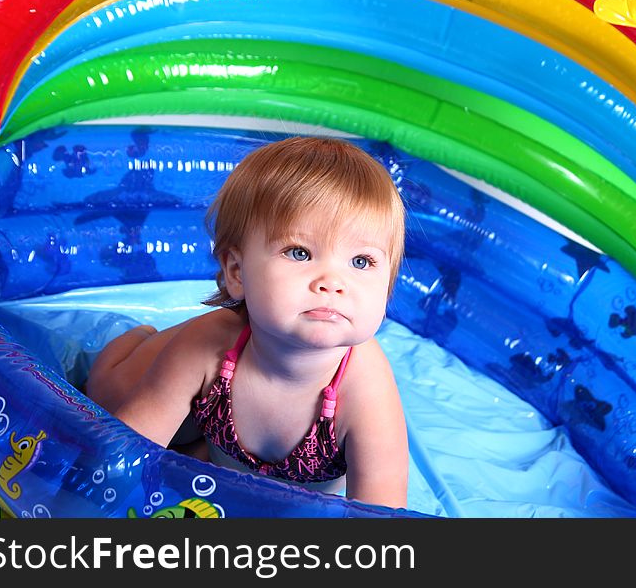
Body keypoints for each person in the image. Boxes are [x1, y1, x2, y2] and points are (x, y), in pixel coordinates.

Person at [86, 136, 409, 509]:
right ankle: (136, 340)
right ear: (237, 272)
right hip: (205, 385)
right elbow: (118, 460)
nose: (332, 282)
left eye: (361, 262)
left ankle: (200, 450)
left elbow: (381, 518)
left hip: (229, 458)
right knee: (106, 394)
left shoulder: (366, 389)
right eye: (300, 252)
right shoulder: (207, 348)